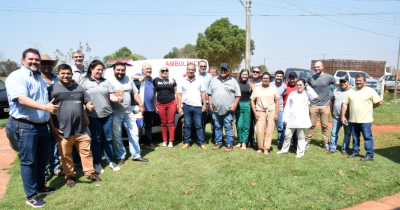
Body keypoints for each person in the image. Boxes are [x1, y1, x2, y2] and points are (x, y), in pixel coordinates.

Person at [6, 48, 59, 208]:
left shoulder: (39, 79)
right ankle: (31, 197)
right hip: (25, 126)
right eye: (31, 59)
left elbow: (46, 104)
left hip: (42, 126)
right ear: (23, 61)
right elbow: (22, 99)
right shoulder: (17, 76)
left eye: (37, 60)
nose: (35, 62)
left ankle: (40, 187)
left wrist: (51, 126)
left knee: (42, 158)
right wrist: (45, 108)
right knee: (28, 162)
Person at [48, 64, 101, 188]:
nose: (66, 76)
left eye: (68, 73)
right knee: (66, 157)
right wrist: (52, 128)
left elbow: (87, 101)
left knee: (87, 153)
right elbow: (48, 111)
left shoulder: (79, 88)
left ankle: (90, 173)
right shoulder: (52, 89)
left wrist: (89, 106)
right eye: (63, 73)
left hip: (80, 129)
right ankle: (70, 176)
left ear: (72, 74)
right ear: (58, 74)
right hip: (62, 131)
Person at [80, 60, 121, 173]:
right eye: (98, 69)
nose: (100, 72)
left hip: (107, 115)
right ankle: (97, 163)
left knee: (108, 139)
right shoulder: (84, 81)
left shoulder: (106, 81)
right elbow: (81, 99)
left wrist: (117, 99)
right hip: (92, 116)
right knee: (96, 140)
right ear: (91, 69)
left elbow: (111, 96)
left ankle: (111, 161)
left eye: (102, 70)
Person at [109, 62, 148, 164]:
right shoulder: (109, 81)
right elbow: (108, 96)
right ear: (114, 70)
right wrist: (116, 96)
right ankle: (120, 156)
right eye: (118, 70)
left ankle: (136, 155)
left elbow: (135, 93)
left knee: (134, 133)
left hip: (128, 112)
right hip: (115, 113)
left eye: (122, 70)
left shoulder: (128, 79)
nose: (120, 72)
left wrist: (141, 104)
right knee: (117, 136)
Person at [342, 74, 381, 161]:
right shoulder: (351, 91)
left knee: (367, 137)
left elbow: (379, 102)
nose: (358, 82)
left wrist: (370, 107)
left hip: (365, 120)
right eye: (357, 80)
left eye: (360, 81)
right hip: (353, 119)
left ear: (364, 81)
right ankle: (355, 152)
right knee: (355, 137)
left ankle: (370, 155)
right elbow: (345, 103)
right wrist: (343, 116)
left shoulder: (370, 91)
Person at [39, 54, 65, 183]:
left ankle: (55, 168)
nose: (47, 65)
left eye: (49, 63)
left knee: (54, 144)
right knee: (43, 147)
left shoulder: (57, 78)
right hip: (43, 116)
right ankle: (44, 173)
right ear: (39, 65)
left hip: (57, 117)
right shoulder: (37, 79)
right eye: (44, 63)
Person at [277, 79, 318, 158]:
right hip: (291, 118)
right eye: (297, 85)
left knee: (301, 137)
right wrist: (285, 118)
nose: (298, 86)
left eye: (300, 85)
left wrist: (308, 86)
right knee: (287, 135)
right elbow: (287, 107)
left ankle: (300, 153)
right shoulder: (292, 94)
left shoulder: (307, 94)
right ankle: (284, 149)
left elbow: (315, 96)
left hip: (302, 120)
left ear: (304, 85)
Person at [306, 61, 339, 150]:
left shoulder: (328, 77)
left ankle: (325, 144)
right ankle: (307, 142)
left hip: (325, 106)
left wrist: (349, 86)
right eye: (315, 67)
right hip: (314, 105)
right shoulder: (311, 78)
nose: (316, 68)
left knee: (324, 126)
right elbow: (306, 86)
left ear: (322, 67)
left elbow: (338, 84)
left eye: (318, 67)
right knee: (311, 125)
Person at [209, 63, 241, 152]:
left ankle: (229, 143)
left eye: (225, 70)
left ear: (228, 71)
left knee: (228, 127)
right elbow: (210, 94)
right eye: (221, 70)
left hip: (228, 110)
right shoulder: (214, 80)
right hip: (216, 110)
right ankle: (218, 142)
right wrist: (210, 104)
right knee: (217, 127)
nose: (223, 71)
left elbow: (238, 95)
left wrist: (234, 106)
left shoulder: (233, 81)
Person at [177, 63, 208, 150]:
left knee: (199, 125)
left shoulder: (199, 81)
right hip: (186, 106)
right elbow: (179, 95)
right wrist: (179, 107)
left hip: (197, 106)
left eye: (192, 70)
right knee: (187, 125)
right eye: (189, 70)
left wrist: (204, 104)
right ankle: (187, 142)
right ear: (186, 70)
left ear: (195, 71)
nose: (190, 71)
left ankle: (201, 143)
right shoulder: (182, 81)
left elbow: (203, 93)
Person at [250, 72, 279, 154]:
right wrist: (255, 112)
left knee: (269, 130)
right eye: (264, 78)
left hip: (271, 111)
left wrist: (276, 113)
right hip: (260, 111)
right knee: (259, 130)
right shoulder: (257, 89)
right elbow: (252, 100)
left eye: (267, 78)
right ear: (261, 79)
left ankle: (266, 148)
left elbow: (277, 101)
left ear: (270, 80)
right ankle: (260, 146)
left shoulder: (273, 89)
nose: (265, 80)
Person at [131, 63, 156, 149]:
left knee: (149, 126)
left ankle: (148, 143)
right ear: (143, 70)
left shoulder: (151, 79)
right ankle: (138, 144)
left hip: (150, 108)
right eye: (147, 69)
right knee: (139, 126)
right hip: (140, 107)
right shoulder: (140, 75)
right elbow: (131, 76)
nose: (149, 70)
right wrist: (138, 77)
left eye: (150, 68)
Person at [328, 76, 353, 155]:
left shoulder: (352, 91)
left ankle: (344, 149)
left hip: (347, 117)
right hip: (337, 116)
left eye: (344, 82)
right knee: (334, 133)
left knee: (347, 133)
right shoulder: (335, 90)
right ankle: (332, 148)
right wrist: (332, 112)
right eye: (341, 82)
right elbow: (331, 101)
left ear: (348, 82)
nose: (343, 83)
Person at [153, 67, 177, 148]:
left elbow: (176, 92)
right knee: (163, 123)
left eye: (166, 70)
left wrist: (176, 103)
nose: (165, 72)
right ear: (160, 72)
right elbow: (153, 94)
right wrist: (155, 105)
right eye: (163, 70)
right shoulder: (156, 80)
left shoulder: (172, 80)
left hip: (171, 103)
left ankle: (171, 141)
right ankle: (164, 141)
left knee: (171, 123)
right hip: (160, 104)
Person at [235, 69, 253, 150]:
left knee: (246, 125)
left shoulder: (251, 85)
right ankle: (239, 141)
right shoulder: (237, 84)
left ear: (248, 75)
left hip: (247, 105)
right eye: (243, 74)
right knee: (239, 125)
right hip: (238, 105)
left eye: (246, 74)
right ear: (240, 75)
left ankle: (244, 143)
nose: (244, 76)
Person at [270, 70, 287, 148]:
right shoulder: (270, 85)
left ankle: (280, 143)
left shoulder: (284, 86)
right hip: (270, 109)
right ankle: (266, 142)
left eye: (281, 76)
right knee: (268, 127)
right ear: (275, 76)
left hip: (280, 109)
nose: (279, 78)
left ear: (283, 77)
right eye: (278, 76)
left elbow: (282, 97)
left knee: (280, 127)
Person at [283, 72, 299, 148]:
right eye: (290, 78)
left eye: (293, 78)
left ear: (296, 78)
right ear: (288, 78)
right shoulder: (284, 85)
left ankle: (295, 143)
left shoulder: (299, 86)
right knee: (284, 128)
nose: (292, 80)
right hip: (285, 110)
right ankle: (284, 143)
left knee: (295, 128)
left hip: (295, 111)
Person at [247, 66, 262, 147]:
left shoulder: (262, 82)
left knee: (259, 125)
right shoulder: (248, 81)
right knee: (249, 124)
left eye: (257, 72)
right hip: (248, 105)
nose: (255, 73)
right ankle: (250, 141)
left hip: (259, 107)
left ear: (260, 74)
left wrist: (254, 88)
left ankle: (259, 141)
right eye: (254, 72)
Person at [196, 60, 212, 137]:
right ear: (198, 66)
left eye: (204, 66)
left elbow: (211, 90)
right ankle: (194, 136)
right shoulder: (194, 75)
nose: (203, 68)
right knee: (195, 120)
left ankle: (201, 136)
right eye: (201, 66)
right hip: (196, 101)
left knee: (203, 120)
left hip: (205, 102)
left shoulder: (209, 76)